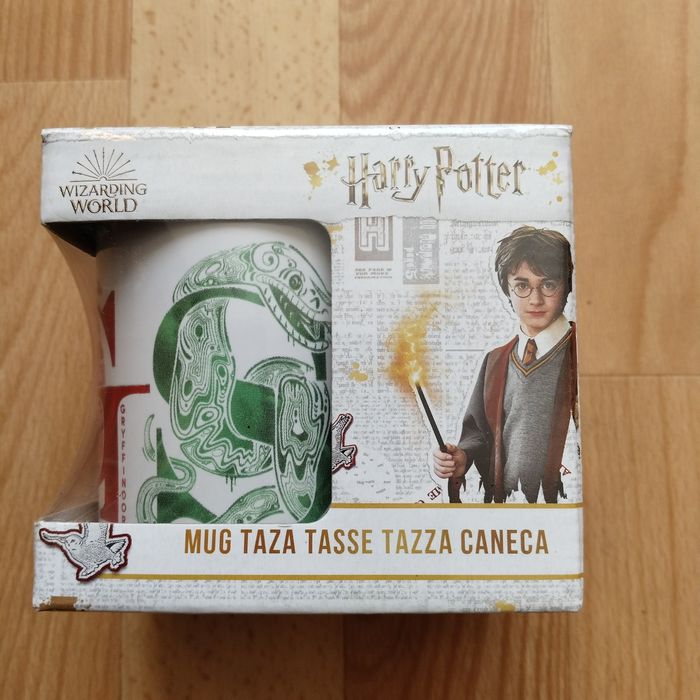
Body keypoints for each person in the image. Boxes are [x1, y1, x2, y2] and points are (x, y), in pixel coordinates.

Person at [434, 226, 578, 503]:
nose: (535, 299)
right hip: (508, 510)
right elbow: (478, 434)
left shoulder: (587, 351)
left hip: (567, 506)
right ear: (507, 289)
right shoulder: (495, 361)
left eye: (548, 284)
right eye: (522, 286)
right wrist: (462, 457)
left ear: (567, 286)